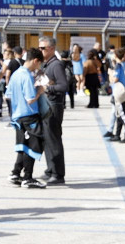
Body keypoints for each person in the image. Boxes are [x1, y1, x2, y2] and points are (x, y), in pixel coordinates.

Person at [8, 47, 45, 187]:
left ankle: (16, 173)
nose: (39, 67)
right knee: (33, 146)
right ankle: (27, 177)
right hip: (29, 116)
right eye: (39, 64)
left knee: (23, 146)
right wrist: (39, 91)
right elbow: (30, 99)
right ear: (35, 61)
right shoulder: (27, 75)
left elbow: (8, 95)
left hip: (17, 116)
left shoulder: (16, 74)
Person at [37, 37, 70, 183]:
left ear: (51, 48)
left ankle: (58, 174)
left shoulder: (56, 65)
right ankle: (50, 169)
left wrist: (48, 88)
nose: (40, 50)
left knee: (54, 140)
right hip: (46, 105)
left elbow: (63, 86)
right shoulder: (47, 65)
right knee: (47, 140)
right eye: (39, 48)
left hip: (54, 106)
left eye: (43, 48)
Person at [104, 48, 125, 143]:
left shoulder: (118, 65)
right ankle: (117, 134)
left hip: (119, 92)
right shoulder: (124, 64)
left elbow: (115, 79)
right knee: (119, 114)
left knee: (122, 115)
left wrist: (110, 74)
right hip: (121, 91)